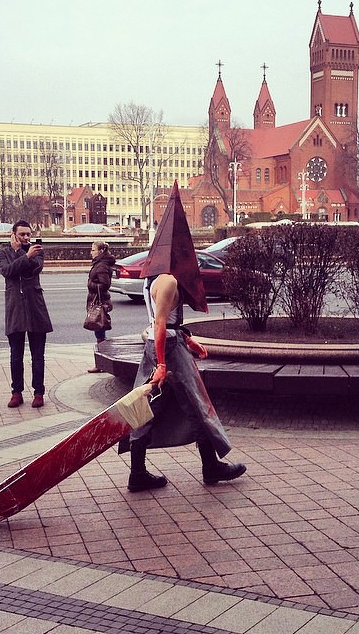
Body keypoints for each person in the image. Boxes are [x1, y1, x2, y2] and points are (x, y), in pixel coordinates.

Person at [120, 182, 246, 492]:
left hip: (161, 346)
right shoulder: (169, 281)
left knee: (145, 406)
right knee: (197, 403)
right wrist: (164, 363)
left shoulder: (153, 278)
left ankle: (138, 472)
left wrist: (187, 339)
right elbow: (162, 324)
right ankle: (210, 467)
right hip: (167, 348)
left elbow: (161, 322)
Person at [0, 220, 53, 409]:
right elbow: (7, 271)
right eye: (22, 234)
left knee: (38, 355)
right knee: (15, 355)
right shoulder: (3, 252)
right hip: (15, 308)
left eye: (28, 234)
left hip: (35, 307)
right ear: (13, 234)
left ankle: (38, 392)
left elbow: (34, 269)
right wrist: (23, 255)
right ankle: (16, 392)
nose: (26, 237)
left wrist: (22, 253)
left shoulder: (37, 251)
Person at [86, 240, 115, 373]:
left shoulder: (101, 265)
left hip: (100, 302)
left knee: (100, 334)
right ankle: (101, 363)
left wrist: (90, 284)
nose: (91, 252)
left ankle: (101, 364)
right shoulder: (100, 263)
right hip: (99, 300)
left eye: (93, 250)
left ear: (101, 251)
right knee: (99, 333)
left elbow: (105, 284)